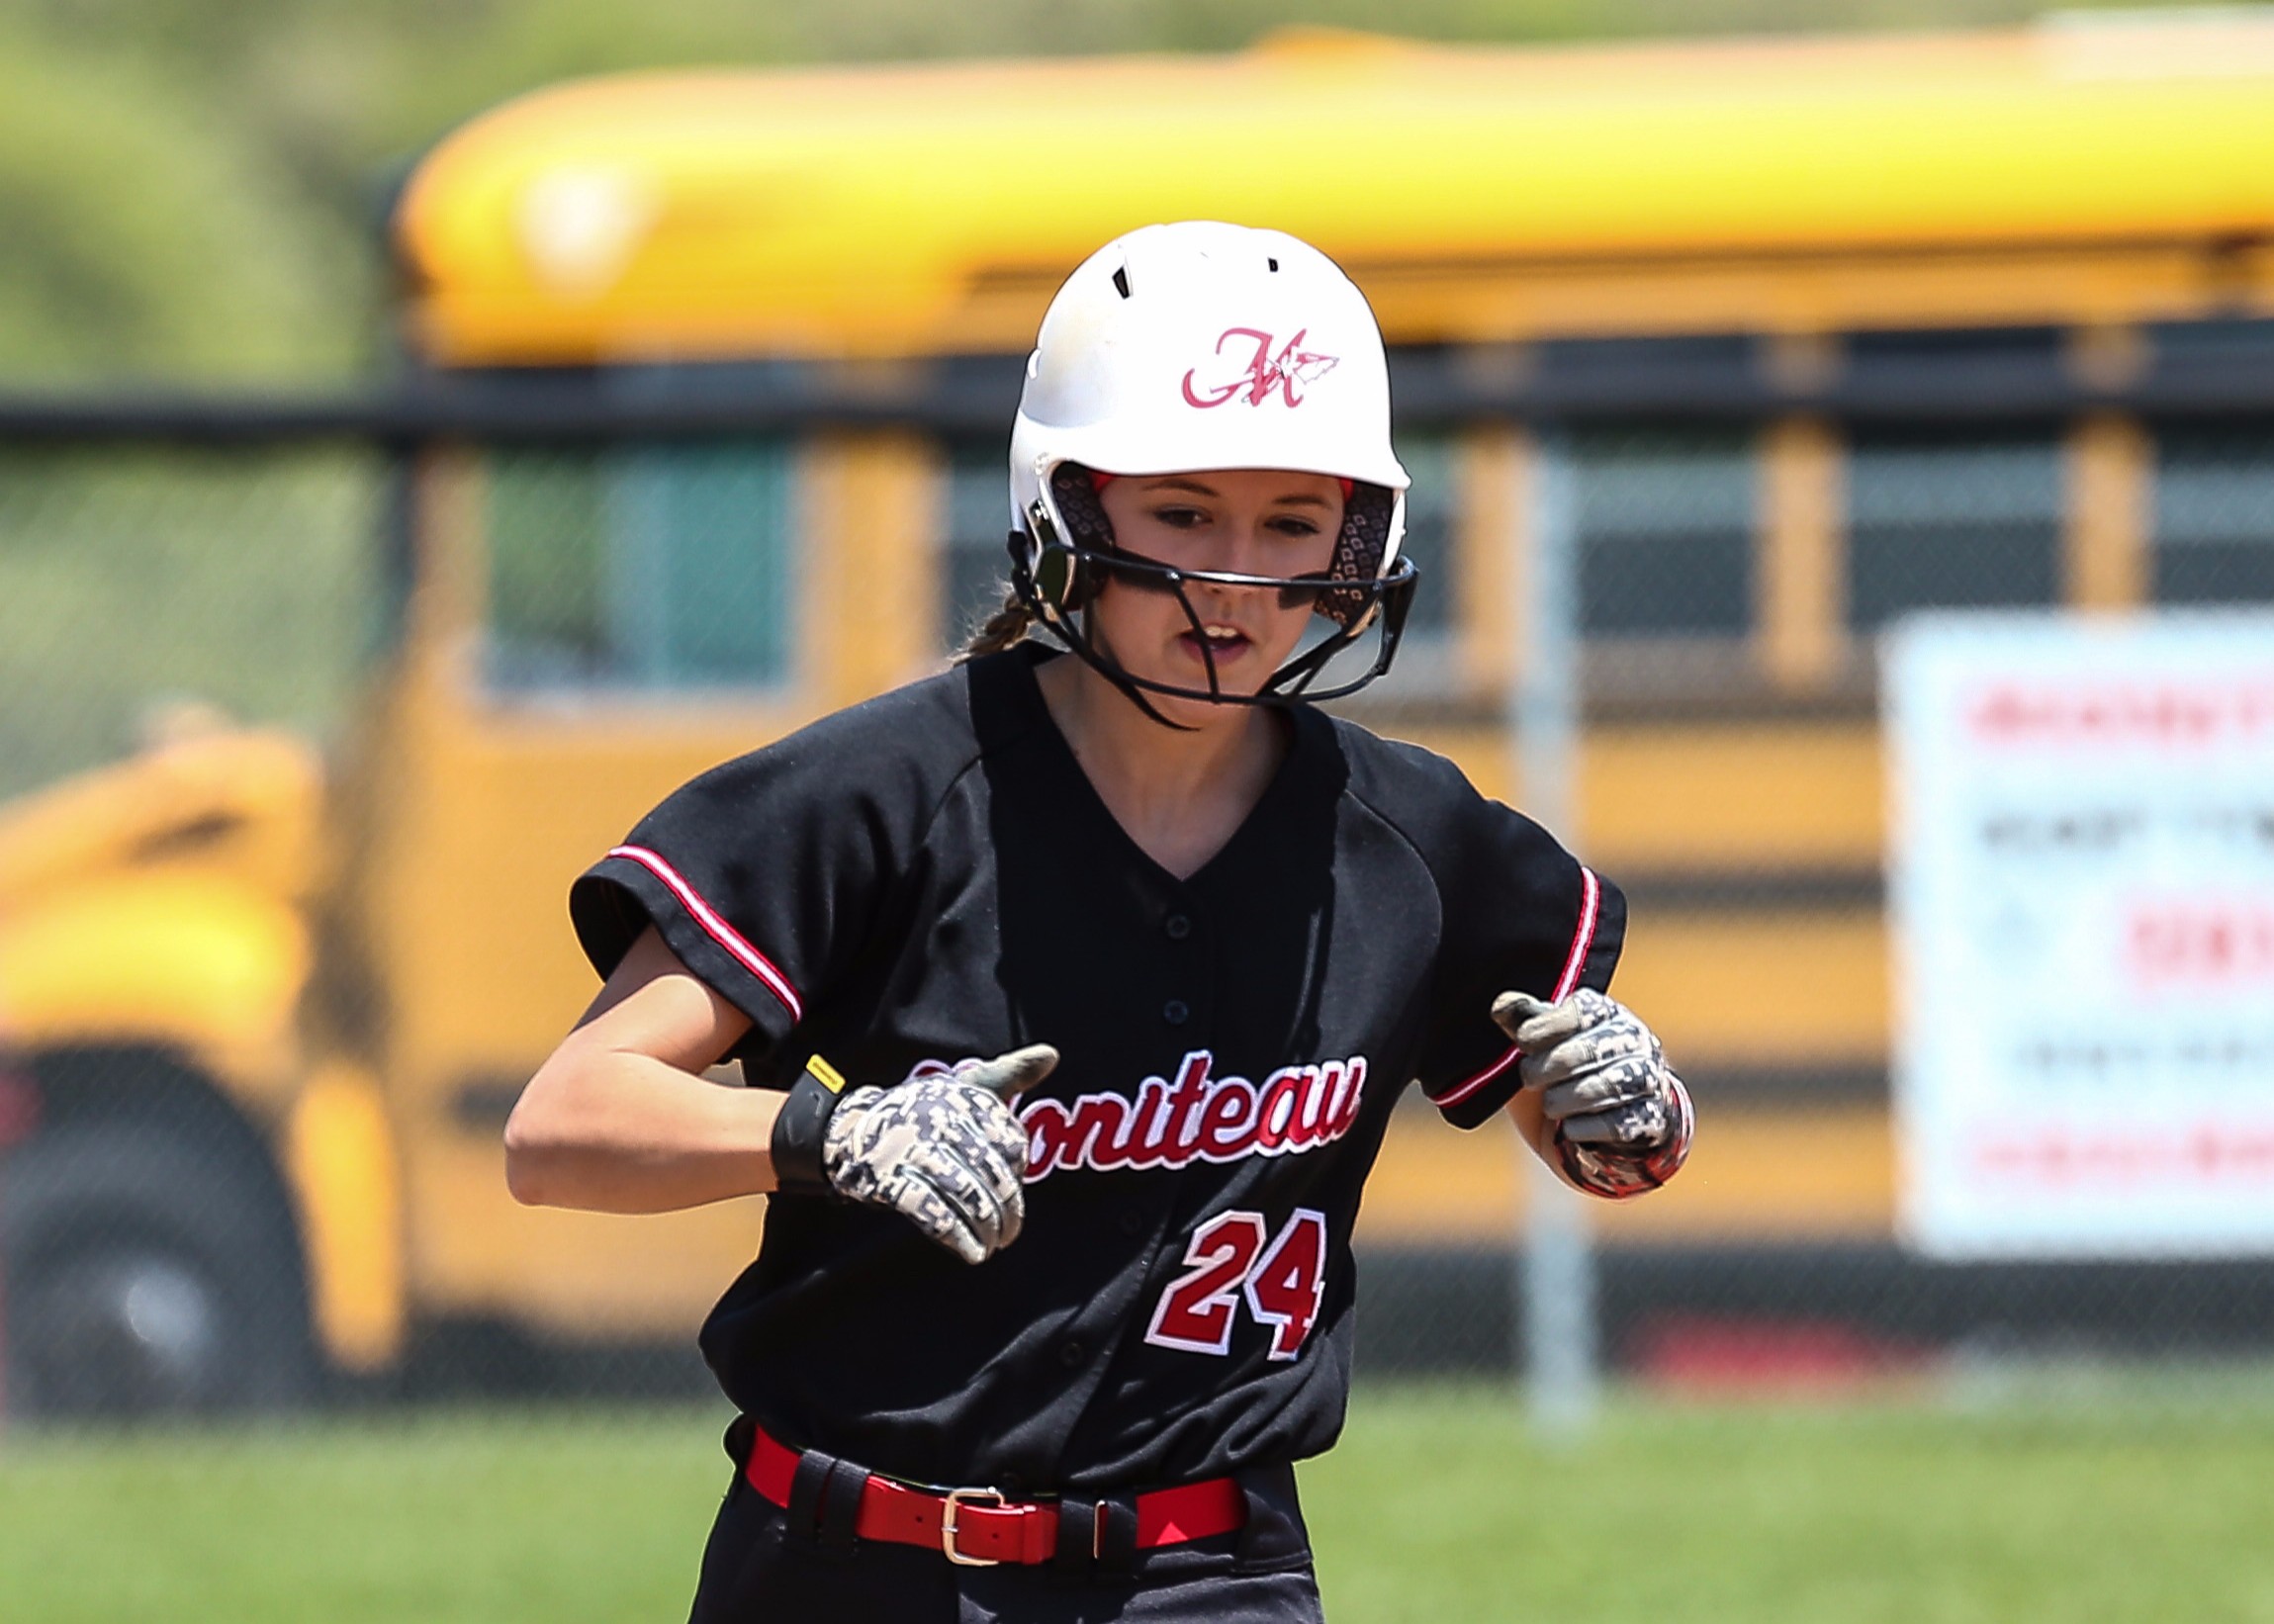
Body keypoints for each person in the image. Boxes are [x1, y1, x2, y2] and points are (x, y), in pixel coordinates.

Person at [504, 221, 1693, 1623]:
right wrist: (839, 1136)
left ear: (1358, 542)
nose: (1237, 580)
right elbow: (564, 1124)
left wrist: (1630, 1113)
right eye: (1183, 515)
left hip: (1205, 1569)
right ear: (1069, 510)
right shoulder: (885, 793)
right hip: (846, 1557)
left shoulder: (1409, 836)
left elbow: (1582, 1130)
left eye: (1293, 522)